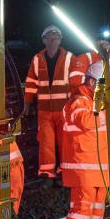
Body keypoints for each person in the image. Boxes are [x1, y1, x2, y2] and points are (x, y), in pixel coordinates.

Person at [58, 61, 110, 219]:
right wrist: (107, 111)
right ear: (90, 82)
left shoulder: (96, 103)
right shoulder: (78, 101)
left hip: (97, 164)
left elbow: (102, 121)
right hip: (83, 164)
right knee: (83, 203)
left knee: (97, 204)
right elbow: (87, 121)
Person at [21, 25, 75, 178]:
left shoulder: (70, 58)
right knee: (46, 142)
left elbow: (76, 82)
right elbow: (31, 82)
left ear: (60, 40)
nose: (52, 41)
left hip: (64, 109)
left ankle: (66, 169)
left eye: (55, 38)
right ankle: (46, 172)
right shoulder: (37, 59)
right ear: (43, 40)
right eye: (49, 38)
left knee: (65, 141)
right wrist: (27, 102)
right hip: (44, 110)